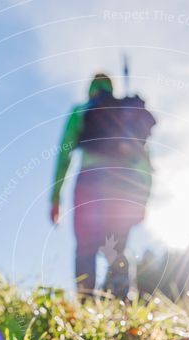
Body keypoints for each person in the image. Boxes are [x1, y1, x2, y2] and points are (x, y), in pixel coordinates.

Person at [50, 73, 156, 298]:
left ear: (91, 89)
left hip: (89, 182)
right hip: (121, 185)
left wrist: (55, 198)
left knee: (86, 248)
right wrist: (142, 199)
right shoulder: (123, 115)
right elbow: (143, 161)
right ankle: (121, 307)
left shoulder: (82, 110)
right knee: (117, 249)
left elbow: (64, 154)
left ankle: (86, 305)